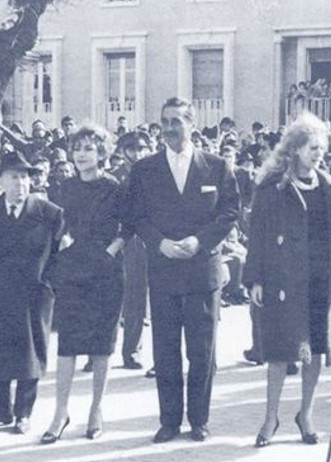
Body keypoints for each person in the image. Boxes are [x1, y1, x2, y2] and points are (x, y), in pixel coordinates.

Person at [127, 97, 240, 443]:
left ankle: (199, 420)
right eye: (166, 121)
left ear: (192, 124)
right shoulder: (145, 169)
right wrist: (157, 242)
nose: (171, 128)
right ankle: (169, 420)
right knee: (165, 348)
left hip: (201, 271)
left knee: (201, 349)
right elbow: (136, 216)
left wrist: (200, 241)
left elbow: (230, 211)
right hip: (163, 270)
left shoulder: (217, 167)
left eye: (178, 120)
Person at [243, 112, 331, 448]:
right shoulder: (271, 189)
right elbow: (257, 236)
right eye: (311, 146)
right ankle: (270, 417)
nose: (318, 153)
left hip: (323, 280)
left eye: (321, 147)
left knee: (317, 350)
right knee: (280, 352)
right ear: (294, 150)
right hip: (283, 279)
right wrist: (255, 279)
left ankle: (305, 414)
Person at [0, 151, 63, 435]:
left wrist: (48, 284)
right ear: (1, 181)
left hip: (32, 294)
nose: (20, 183)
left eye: (24, 177)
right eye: (14, 177)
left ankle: (23, 414)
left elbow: (58, 255)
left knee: (29, 355)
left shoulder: (49, 213)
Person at [41, 125, 129, 443]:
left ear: (102, 152)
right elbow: (56, 221)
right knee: (67, 345)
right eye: (77, 148)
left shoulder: (115, 187)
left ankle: (96, 409)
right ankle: (60, 412)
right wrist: (62, 236)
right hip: (73, 269)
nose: (81, 154)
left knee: (102, 344)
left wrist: (110, 251)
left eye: (89, 148)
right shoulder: (64, 187)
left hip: (106, 270)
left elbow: (128, 225)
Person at [113, 131, 153, 371]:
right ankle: (97, 352)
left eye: (142, 148)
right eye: (132, 149)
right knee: (121, 299)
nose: (137, 153)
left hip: (149, 240)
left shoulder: (154, 174)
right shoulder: (116, 178)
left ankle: (132, 351)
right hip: (124, 240)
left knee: (141, 298)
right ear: (123, 151)